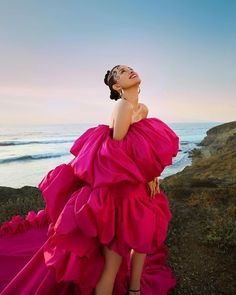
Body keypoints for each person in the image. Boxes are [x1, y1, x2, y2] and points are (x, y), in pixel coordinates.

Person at [0, 65, 179, 295]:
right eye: (121, 72)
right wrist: (146, 176)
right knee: (112, 264)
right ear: (116, 86)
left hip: (139, 192)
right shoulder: (123, 106)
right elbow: (117, 157)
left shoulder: (142, 109)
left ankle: (135, 290)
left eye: (129, 68)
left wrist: (153, 175)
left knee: (142, 242)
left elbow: (144, 152)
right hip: (119, 196)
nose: (129, 71)